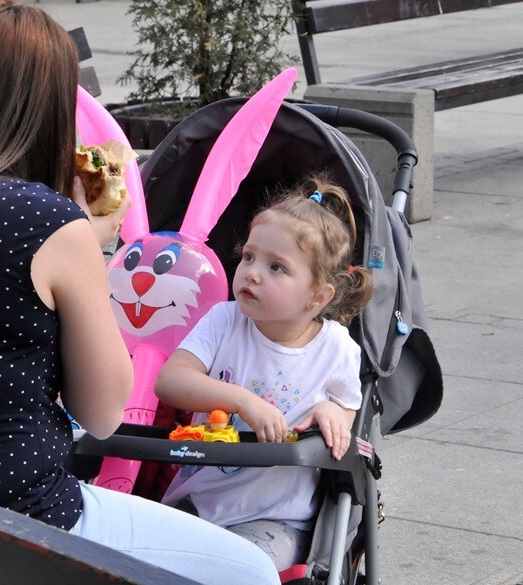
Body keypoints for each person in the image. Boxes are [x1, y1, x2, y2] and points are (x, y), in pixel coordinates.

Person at [0, 0, 279, 585]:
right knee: (248, 571)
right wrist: (92, 244)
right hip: (7, 526)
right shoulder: (46, 220)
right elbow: (104, 411)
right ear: (43, 108)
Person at [154, 177, 375, 571]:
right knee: (148, 559)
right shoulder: (224, 320)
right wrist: (241, 399)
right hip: (201, 500)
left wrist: (331, 413)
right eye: (249, 257)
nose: (252, 273)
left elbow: (348, 417)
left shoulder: (336, 348)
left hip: (277, 519)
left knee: (239, 569)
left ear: (318, 296)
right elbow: (171, 381)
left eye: (277, 267)